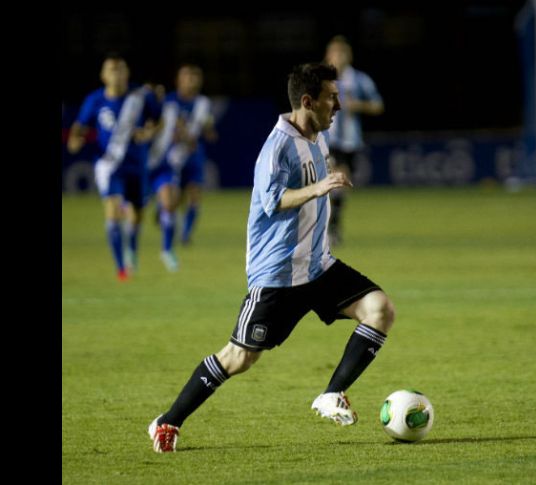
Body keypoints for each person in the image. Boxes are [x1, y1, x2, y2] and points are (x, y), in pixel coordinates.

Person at [148, 62, 396, 453]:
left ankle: (331, 394)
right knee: (239, 358)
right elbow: (274, 201)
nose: (339, 105)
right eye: (333, 98)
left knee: (379, 309)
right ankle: (168, 421)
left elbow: (315, 176)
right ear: (307, 101)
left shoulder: (317, 134)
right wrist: (321, 186)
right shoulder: (276, 147)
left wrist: (329, 174)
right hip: (278, 275)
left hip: (318, 265)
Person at [67, 53, 161, 280]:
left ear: (127, 73)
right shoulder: (95, 100)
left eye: (121, 69)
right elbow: (79, 127)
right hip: (109, 165)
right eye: (111, 70)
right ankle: (121, 268)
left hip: (136, 165)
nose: (117, 74)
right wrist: (75, 140)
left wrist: (148, 132)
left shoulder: (140, 96)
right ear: (103, 75)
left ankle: (132, 251)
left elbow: (158, 121)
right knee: (112, 210)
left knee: (137, 215)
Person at [148, 64, 218, 271]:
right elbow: (159, 126)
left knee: (194, 195)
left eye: (196, 77)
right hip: (170, 158)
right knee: (173, 200)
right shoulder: (168, 102)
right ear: (179, 80)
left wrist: (208, 130)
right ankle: (167, 246)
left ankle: (185, 236)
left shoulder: (203, 103)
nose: (192, 80)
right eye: (188, 77)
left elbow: (207, 130)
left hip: (193, 157)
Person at [323, 35, 384, 245]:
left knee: (340, 185)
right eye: (334, 52)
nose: (338, 57)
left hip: (351, 141)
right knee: (333, 179)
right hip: (326, 139)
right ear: (328, 55)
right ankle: (327, 230)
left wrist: (358, 105)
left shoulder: (359, 80)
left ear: (348, 56)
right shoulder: (320, 80)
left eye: (341, 53)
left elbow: (377, 105)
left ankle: (333, 227)